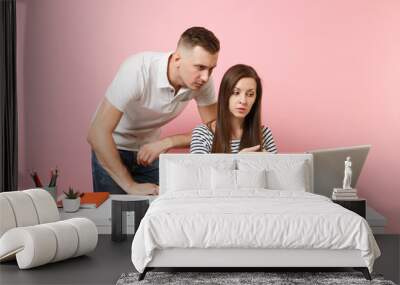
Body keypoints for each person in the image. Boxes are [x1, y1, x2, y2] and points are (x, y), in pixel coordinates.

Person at [87, 27, 220, 195]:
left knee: (164, 209)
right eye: (200, 67)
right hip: (111, 147)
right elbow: (96, 133)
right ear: (177, 58)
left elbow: (215, 131)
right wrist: (130, 186)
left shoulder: (203, 81)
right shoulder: (138, 69)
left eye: (211, 68)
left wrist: (168, 142)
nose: (206, 77)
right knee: (115, 218)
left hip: (148, 151)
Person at [190, 64, 277, 154]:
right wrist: (239, 161)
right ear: (225, 94)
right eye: (236, 92)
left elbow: (279, 167)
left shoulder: (264, 134)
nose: (243, 101)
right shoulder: (202, 134)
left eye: (250, 94)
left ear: (256, 99)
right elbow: (199, 168)